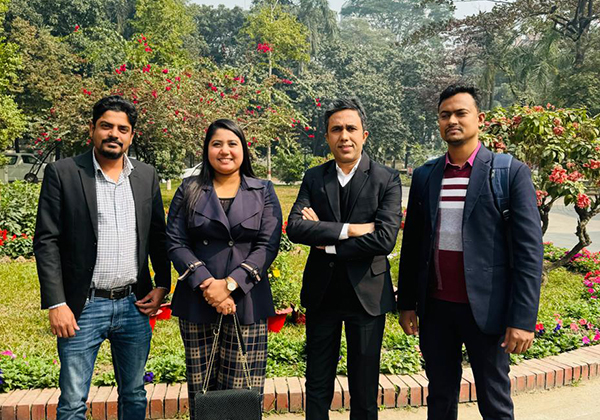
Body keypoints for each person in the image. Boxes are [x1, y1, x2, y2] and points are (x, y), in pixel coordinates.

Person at [397, 84, 544, 420]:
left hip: (487, 311)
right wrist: (406, 303)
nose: (452, 120)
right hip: (436, 311)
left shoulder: (509, 172)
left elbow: (529, 253)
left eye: (460, 113)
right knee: (440, 397)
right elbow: (414, 245)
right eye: (445, 115)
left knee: (494, 401)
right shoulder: (425, 176)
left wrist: (522, 319)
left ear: (479, 118)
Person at [34, 95, 171, 420]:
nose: (114, 134)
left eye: (122, 129)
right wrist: (57, 303)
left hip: (134, 304)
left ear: (131, 135)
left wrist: (163, 285)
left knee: (134, 394)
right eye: (106, 126)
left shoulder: (145, 175)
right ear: (92, 129)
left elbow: (157, 235)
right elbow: (46, 241)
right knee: (72, 402)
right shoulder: (63, 173)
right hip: (82, 307)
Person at [287, 98, 402, 420]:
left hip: (367, 296)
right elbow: (295, 227)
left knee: (364, 388)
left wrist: (327, 241)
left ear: (364, 135)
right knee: (317, 382)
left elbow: (384, 239)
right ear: (327, 137)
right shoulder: (315, 177)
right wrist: (350, 230)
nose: (344, 136)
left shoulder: (386, 178)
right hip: (322, 293)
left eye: (351, 128)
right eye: (336, 129)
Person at [166, 119, 282, 419]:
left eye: (232, 143)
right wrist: (208, 284)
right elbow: (175, 242)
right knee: (202, 391)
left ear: (244, 149)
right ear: (207, 149)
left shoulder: (263, 190)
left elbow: (267, 245)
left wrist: (230, 285)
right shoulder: (190, 189)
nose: (225, 151)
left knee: (241, 396)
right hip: (198, 300)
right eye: (217, 144)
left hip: (247, 301)